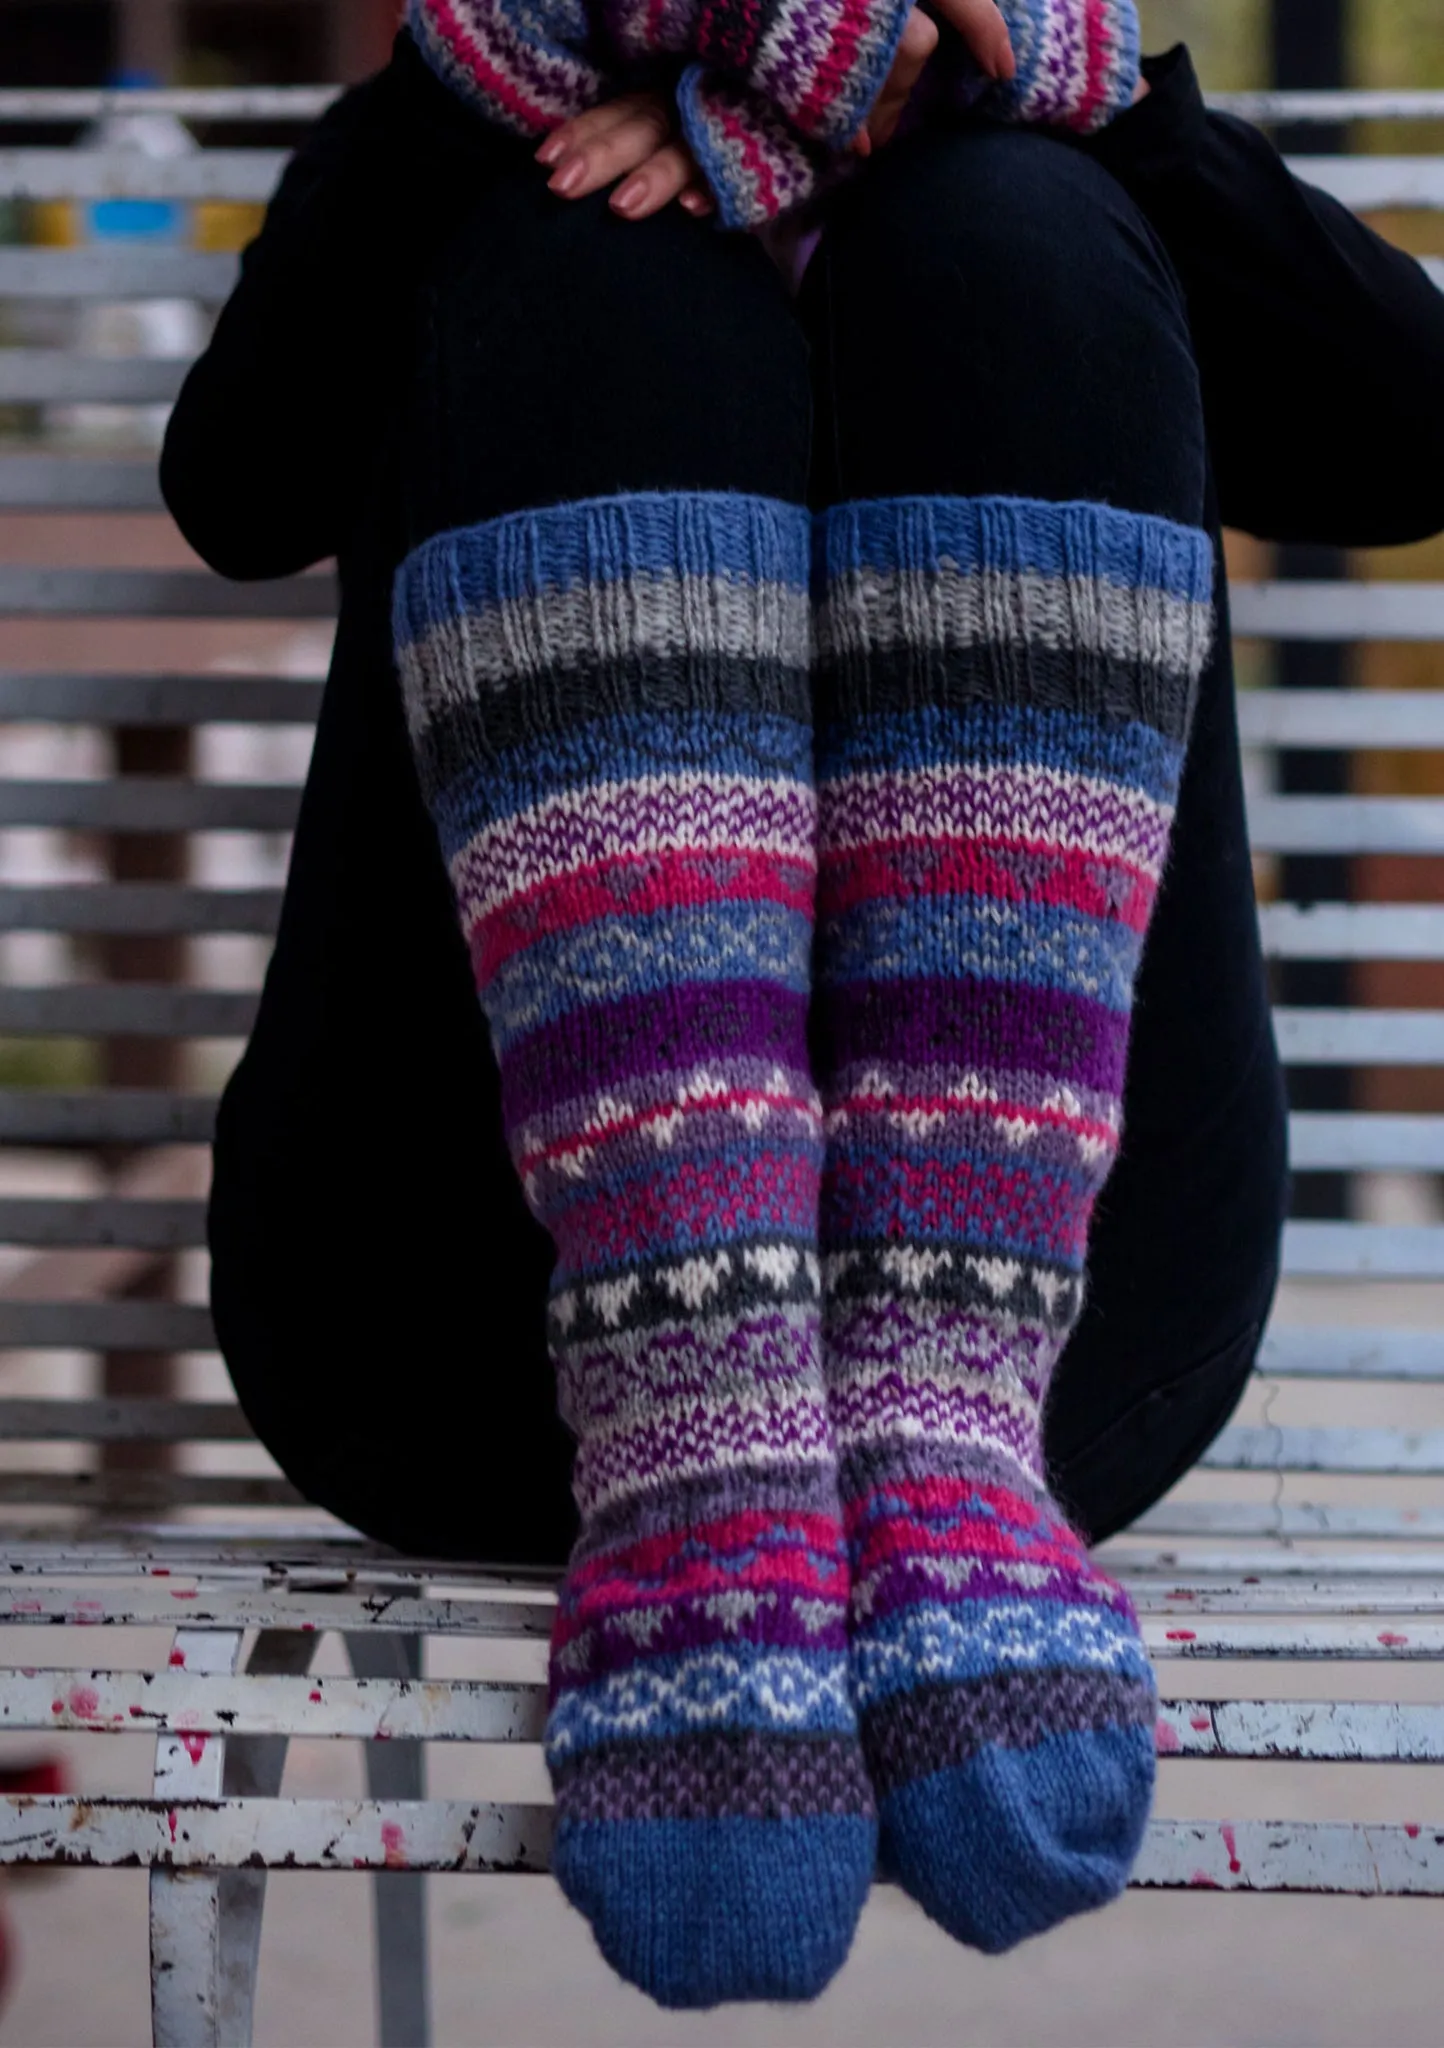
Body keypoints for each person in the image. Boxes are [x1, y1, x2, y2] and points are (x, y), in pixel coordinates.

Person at [162, 2, 1444, 2008]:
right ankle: (694, 1399)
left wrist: (1050, 76)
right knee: (583, 264)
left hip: (1054, 1363)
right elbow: (233, 481)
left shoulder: (1044, 140)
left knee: (1006, 232)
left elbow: (1406, 425)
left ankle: (931, 1393)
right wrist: (504, 61)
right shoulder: (479, 127)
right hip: (455, 1330)